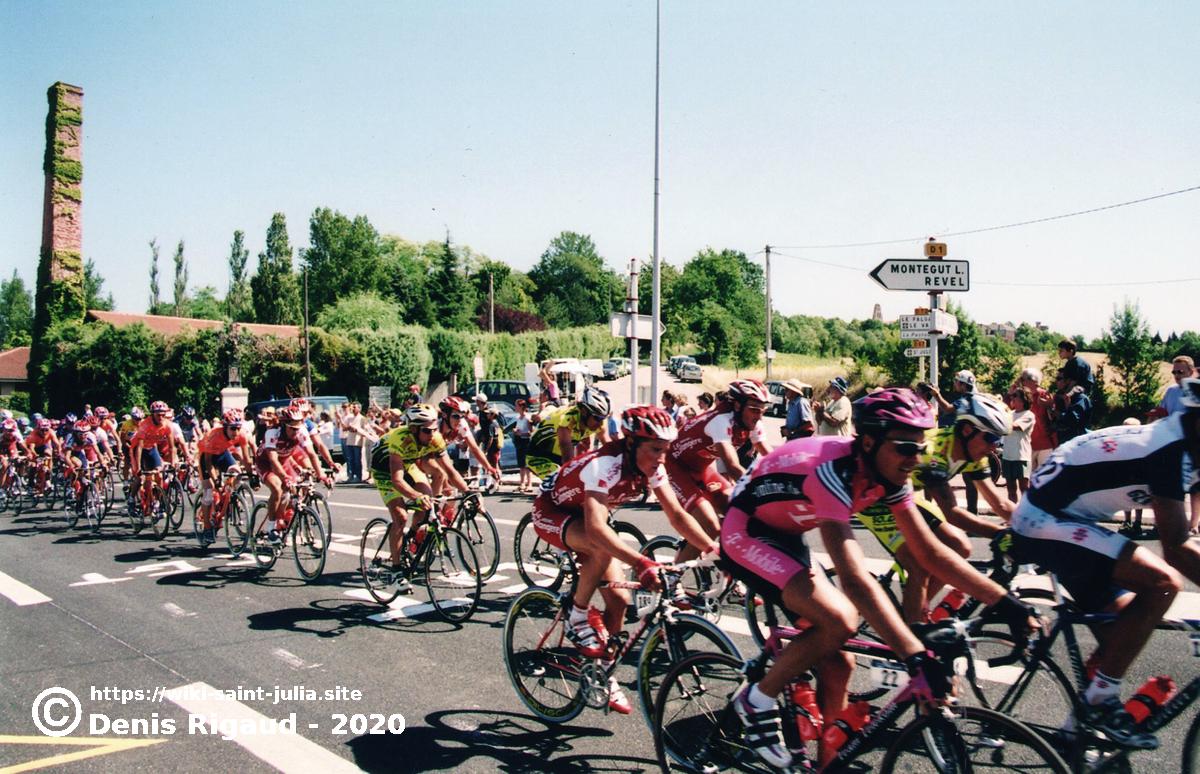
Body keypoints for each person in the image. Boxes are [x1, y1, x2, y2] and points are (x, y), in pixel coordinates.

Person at [720, 388, 1036, 769]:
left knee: (841, 663)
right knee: (840, 619)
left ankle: (827, 764)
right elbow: (854, 578)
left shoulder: (891, 471)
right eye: (905, 447)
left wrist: (1005, 602)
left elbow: (931, 553)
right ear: (868, 442)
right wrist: (914, 655)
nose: (916, 459)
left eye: (920, 447)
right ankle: (756, 700)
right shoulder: (833, 472)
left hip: (787, 534)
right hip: (747, 531)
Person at [1009, 378, 1200, 749]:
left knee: (1125, 629)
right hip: (1044, 518)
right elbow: (1176, 547)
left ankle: (1074, 733)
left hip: (1071, 517)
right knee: (1162, 582)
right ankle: (1099, 702)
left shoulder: (1190, 444)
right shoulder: (1170, 449)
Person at [530, 406, 718, 714]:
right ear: (631, 444)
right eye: (656, 449)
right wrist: (642, 563)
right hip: (553, 511)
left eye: (666, 450)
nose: (662, 458)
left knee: (619, 600)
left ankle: (602, 672)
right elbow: (596, 529)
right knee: (599, 545)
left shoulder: (653, 467)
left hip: (588, 517)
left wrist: (714, 551)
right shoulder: (604, 464)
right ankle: (577, 614)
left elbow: (677, 515)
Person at [856, 392, 1016, 622]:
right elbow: (952, 514)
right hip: (876, 498)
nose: (995, 447)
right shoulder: (933, 452)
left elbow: (999, 502)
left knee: (960, 547)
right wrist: (1000, 533)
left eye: (1000, 441)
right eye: (991, 438)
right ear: (968, 430)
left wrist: (1031, 530)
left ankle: (915, 611)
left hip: (904, 495)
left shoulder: (974, 453)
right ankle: (909, 639)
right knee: (920, 567)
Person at [370, 403, 479, 588]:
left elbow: (450, 471)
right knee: (400, 516)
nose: (432, 435)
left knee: (428, 502)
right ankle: (397, 570)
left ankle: (410, 539)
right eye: (427, 431)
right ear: (413, 429)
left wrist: (468, 492)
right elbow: (397, 480)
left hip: (408, 465)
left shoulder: (435, 438)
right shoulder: (399, 438)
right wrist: (415, 496)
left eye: (434, 430)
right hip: (384, 471)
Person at [665, 379, 772, 563]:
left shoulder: (752, 422)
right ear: (737, 405)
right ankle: (674, 579)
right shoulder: (721, 421)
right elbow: (733, 467)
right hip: (675, 467)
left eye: (763, 410)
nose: (759, 416)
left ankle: (727, 569)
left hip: (702, 469)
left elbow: (772, 459)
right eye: (754, 409)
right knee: (711, 526)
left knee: (739, 515)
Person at [254, 408, 330, 545]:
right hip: (265, 462)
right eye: (292, 429)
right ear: (284, 425)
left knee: (295, 492)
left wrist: (321, 475)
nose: (295, 432)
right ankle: (272, 527)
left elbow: (312, 454)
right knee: (277, 488)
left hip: (284, 461)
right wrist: (285, 478)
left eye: (297, 428)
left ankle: (284, 522)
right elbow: (273, 460)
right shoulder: (273, 432)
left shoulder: (301, 431)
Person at [195, 408, 253, 546]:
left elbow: (246, 459)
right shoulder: (213, 435)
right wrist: (215, 480)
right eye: (233, 429)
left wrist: (252, 476)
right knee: (208, 492)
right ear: (225, 427)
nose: (236, 432)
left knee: (237, 471)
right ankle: (208, 528)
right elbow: (208, 463)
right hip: (207, 457)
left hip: (222, 453)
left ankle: (229, 496)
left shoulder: (241, 435)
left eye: (239, 428)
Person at [1155, 356, 1200, 533]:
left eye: (1180, 372)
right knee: (1173, 485)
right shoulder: (1171, 391)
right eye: (1174, 371)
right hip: (1173, 444)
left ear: (1191, 372)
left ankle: (1194, 523)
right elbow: (1162, 412)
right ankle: (1173, 522)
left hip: (1194, 444)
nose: (1176, 375)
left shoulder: (1196, 391)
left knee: (1196, 487)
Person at [525, 388, 611, 481]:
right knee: (562, 481)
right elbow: (567, 460)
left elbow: (610, 448)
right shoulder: (567, 421)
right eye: (597, 418)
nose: (600, 423)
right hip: (538, 455)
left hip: (558, 455)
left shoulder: (598, 422)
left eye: (603, 418)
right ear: (584, 411)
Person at [1016, 367, 1056, 470]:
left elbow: (1053, 417)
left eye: (1023, 379)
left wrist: (1049, 406)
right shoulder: (1022, 396)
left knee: (1045, 477)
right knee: (1028, 479)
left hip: (1045, 444)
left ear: (1032, 381)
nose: (1021, 382)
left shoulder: (1043, 394)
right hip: (1028, 444)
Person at [1002, 388, 1036, 502]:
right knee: (1011, 490)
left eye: (1015, 396)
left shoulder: (1029, 415)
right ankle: (1013, 516)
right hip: (1007, 456)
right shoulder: (1009, 414)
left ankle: (1026, 515)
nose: (1012, 398)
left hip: (1022, 457)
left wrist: (998, 421)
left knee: (1024, 489)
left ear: (1023, 399)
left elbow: (1015, 427)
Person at [1051, 368, 1092, 444]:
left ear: (1069, 381)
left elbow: (1071, 421)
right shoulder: (1059, 396)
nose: (1056, 381)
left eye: (1059, 379)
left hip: (1077, 442)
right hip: (1061, 441)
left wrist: (1066, 407)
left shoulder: (1080, 398)